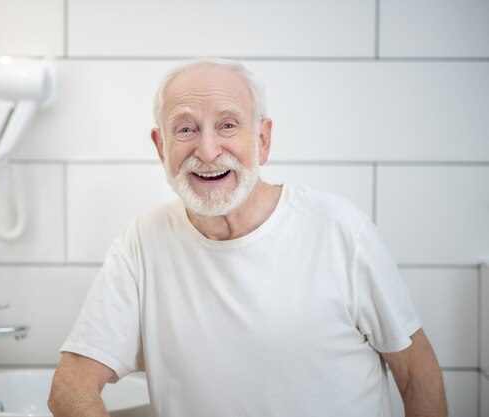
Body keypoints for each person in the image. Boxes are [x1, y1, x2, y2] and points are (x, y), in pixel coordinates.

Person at [48, 58, 448, 417]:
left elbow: (416, 374)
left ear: (261, 139)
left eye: (228, 125)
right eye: (186, 129)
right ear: (161, 147)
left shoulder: (341, 230)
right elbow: (70, 388)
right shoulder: (141, 242)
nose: (206, 151)